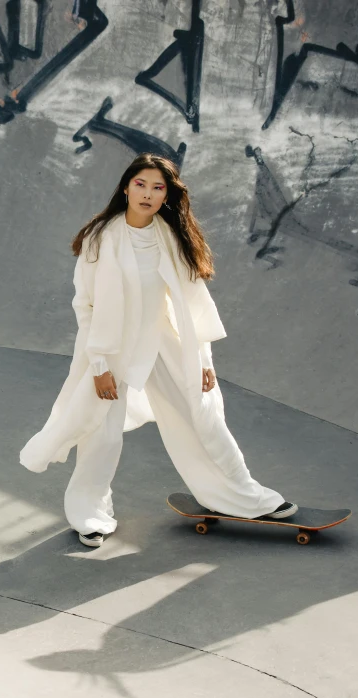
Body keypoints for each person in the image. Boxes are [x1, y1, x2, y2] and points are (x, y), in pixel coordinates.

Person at [20, 153, 297, 547]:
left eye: (158, 187)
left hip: (163, 339)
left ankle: (239, 496)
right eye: (141, 184)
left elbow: (191, 302)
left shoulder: (170, 234)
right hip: (111, 347)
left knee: (200, 416)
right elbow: (86, 305)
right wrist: (99, 364)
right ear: (125, 187)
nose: (148, 194)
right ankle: (90, 515)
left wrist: (202, 358)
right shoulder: (100, 237)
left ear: (167, 194)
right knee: (102, 432)